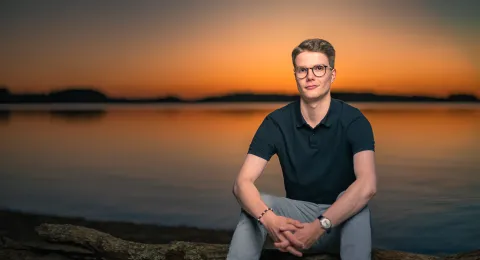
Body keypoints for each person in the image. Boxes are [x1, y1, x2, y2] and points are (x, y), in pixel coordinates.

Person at [226, 38, 377, 260]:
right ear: (295, 74)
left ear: (332, 74)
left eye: (319, 68)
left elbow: (368, 185)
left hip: (339, 224)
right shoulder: (276, 122)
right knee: (258, 204)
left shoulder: (354, 120)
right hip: (294, 224)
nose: (310, 76)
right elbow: (241, 184)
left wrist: (320, 226)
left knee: (356, 202)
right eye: (302, 70)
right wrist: (270, 220)